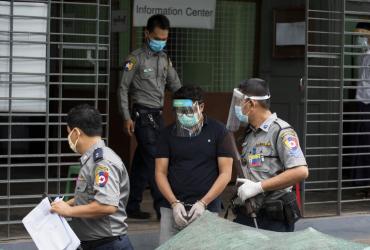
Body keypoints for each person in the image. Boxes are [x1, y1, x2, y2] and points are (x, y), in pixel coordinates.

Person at [118, 14, 181, 220]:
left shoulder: (164, 59)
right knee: (156, 161)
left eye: (164, 39)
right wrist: (127, 117)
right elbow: (123, 88)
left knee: (142, 162)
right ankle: (163, 208)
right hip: (141, 115)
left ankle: (132, 206)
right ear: (147, 34)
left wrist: (187, 104)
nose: (160, 42)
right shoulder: (135, 58)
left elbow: (176, 86)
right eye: (157, 38)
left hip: (158, 115)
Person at [226, 78, 309, 232]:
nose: (238, 107)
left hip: (272, 220)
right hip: (248, 214)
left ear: (251, 104)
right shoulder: (250, 134)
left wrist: (259, 187)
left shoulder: (281, 131)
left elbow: (301, 171)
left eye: (240, 102)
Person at [155, 86, 233, 244]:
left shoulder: (218, 131)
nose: (184, 115)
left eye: (188, 110)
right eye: (179, 111)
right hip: (172, 209)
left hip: (207, 209)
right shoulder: (167, 133)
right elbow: (160, 172)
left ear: (201, 106)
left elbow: (226, 173)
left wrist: (204, 202)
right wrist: (174, 203)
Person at [50, 104, 133, 250]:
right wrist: (66, 204)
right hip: (95, 243)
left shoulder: (103, 162)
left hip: (108, 244)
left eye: (68, 132)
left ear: (76, 132)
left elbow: (106, 205)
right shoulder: (92, 160)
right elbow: (92, 193)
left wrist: (68, 211)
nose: (68, 137)